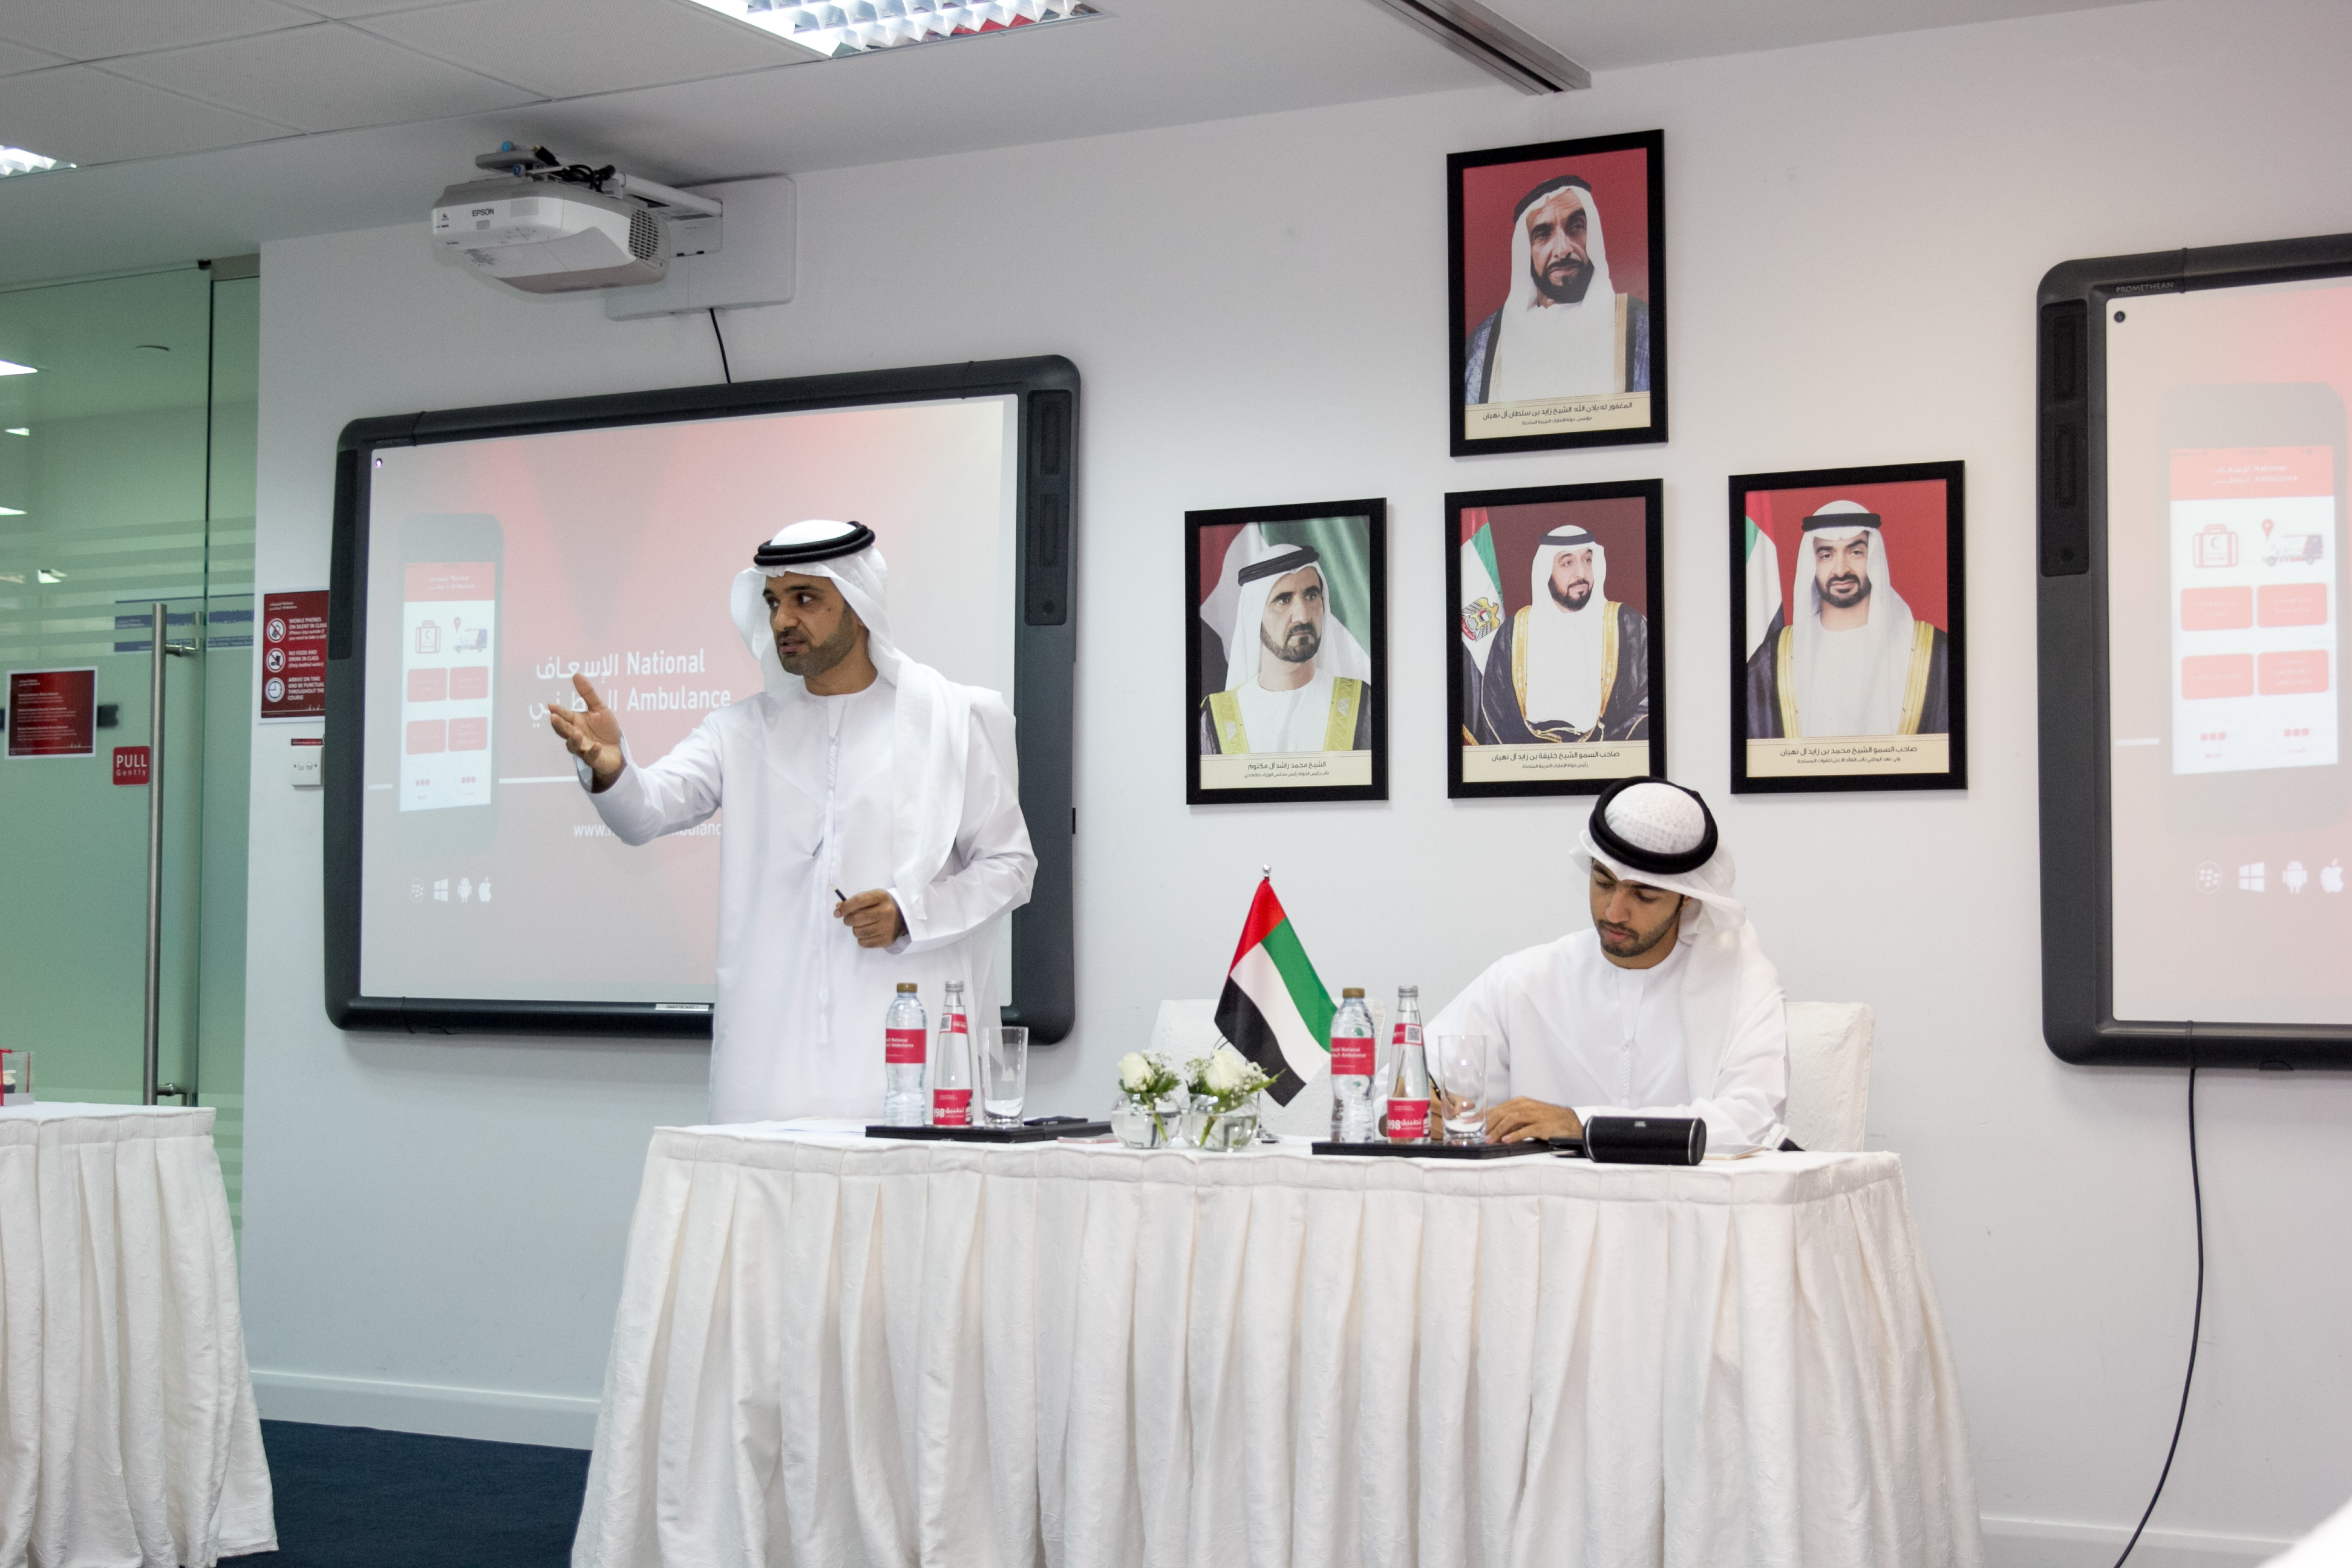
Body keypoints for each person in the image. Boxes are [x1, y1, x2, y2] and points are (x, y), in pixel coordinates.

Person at [547, 518, 1036, 1123]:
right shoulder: (739, 731)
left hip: (904, 1051)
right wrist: (611, 769)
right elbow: (645, 814)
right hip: (768, 1065)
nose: (783, 620)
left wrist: (912, 912)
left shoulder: (947, 720)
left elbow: (1011, 866)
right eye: (774, 602)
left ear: (858, 606)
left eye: (805, 599)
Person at [1428, 777, 1788, 1151]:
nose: (1614, 913)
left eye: (1645, 895)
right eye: (1603, 882)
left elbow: (1753, 1121)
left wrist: (1580, 1124)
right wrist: (1423, 1109)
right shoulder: (1523, 980)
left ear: (1686, 898)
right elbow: (1411, 1083)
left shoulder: (1742, 984)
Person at [1745, 500, 1950, 739]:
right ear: (1812, 564)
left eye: (1855, 553)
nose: (1841, 570)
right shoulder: (1774, 659)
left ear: (1873, 558)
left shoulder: (1932, 653)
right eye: (1826, 555)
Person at [1463, 174, 1651, 408]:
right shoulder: (1485, 343)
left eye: (1576, 227)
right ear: (1526, 251)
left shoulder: (1642, 325)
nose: (1563, 250)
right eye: (1543, 235)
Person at [1473, 524, 1649, 744]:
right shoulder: (1515, 631)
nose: (1582, 574)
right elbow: (1496, 713)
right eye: (1568, 563)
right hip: (1531, 759)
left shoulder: (1628, 624)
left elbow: (1645, 705)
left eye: (1587, 560)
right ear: (1546, 570)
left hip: (1607, 754)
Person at [1198, 544, 1372, 754]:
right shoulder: (1215, 719)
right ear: (1255, 617)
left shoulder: (1363, 706)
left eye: (1311, 596)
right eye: (1283, 600)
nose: (1303, 616)